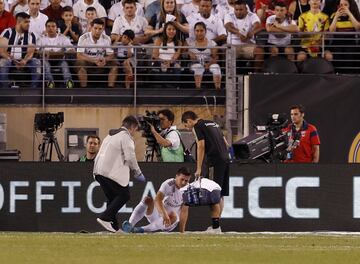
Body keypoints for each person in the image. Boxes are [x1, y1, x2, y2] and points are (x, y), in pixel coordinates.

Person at [93, 115, 146, 232]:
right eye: (135, 129)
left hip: (98, 171)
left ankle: (115, 228)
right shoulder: (125, 137)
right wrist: (138, 172)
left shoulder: (110, 135)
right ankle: (105, 218)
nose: (134, 133)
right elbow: (130, 157)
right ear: (132, 127)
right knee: (124, 195)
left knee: (113, 198)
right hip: (110, 172)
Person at [181, 111, 230, 216]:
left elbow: (201, 146)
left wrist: (199, 168)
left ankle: (215, 227)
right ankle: (217, 226)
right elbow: (226, 143)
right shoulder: (214, 124)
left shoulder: (197, 126)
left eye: (186, 125)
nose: (187, 128)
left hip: (214, 161)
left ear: (189, 121)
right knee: (220, 194)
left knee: (213, 192)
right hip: (225, 159)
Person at [122, 166, 191, 233]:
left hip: (171, 221)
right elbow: (158, 200)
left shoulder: (188, 190)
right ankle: (130, 225)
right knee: (147, 199)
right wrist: (164, 215)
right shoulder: (168, 184)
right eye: (182, 179)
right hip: (160, 214)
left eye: (186, 180)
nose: (183, 183)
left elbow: (184, 211)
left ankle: (139, 229)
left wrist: (182, 231)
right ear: (176, 176)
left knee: (174, 215)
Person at [0, 12, 41, 88]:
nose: (28, 24)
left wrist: (24, 61)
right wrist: (13, 61)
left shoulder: (31, 35)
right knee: (3, 62)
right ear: (18, 22)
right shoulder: (8, 32)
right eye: (26, 22)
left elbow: (30, 53)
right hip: (10, 60)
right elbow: (2, 51)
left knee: (36, 62)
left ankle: (33, 89)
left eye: (29, 22)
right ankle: (5, 89)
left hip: (24, 61)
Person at [76, 18, 118, 88]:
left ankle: (111, 88)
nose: (97, 31)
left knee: (114, 64)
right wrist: (94, 60)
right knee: (80, 63)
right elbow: (79, 55)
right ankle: (84, 89)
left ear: (103, 29)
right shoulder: (83, 38)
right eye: (95, 28)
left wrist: (104, 59)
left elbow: (111, 55)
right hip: (87, 61)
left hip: (101, 61)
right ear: (91, 27)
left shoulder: (107, 38)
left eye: (100, 29)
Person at [224, 0, 264, 71]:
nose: (238, 12)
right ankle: (227, 76)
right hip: (233, 45)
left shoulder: (252, 15)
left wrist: (251, 33)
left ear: (246, 9)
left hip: (248, 45)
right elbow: (228, 26)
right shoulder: (229, 15)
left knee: (259, 51)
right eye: (236, 10)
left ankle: (255, 75)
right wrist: (239, 34)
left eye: (241, 9)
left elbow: (258, 25)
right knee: (224, 50)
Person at [37, 18, 74, 88]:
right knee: (46, 65)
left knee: (64, 65)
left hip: (60, 59)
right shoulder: (41, 38)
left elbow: (72, 50)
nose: (50, 28)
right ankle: (50, 82)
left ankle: (68, 82)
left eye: (53, 26)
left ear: (57, 28)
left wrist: (61, 53)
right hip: (46, 60)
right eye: (48, 26)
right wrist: (44, 52)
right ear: (45, 28)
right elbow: (36, 50)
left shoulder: (63, 37)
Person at [186, 22, 222, 89]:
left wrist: (209, 64)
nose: (199, 33)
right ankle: (198, 88)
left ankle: (218, 89)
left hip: (209, 64)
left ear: (205, 31)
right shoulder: (189, 42)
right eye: (197, 31)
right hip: (194, 64)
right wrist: (189, 53)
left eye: (201, 31)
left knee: (216, 67)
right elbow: (184, 53)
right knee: (199, 67)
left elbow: (216, 57)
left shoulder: (212, 43)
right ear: (194, 32)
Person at [329, 0, 360, 73]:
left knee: (350, 57)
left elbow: (358, 28)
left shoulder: (353, 15)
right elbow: (331, 31)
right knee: (337, 57)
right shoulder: (334, 15)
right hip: (337, 42)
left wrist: (349, 14)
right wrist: (336, 17)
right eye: (341, 4)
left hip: (350, 42)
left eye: (345, 5)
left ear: (349, 6)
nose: (343, 7)